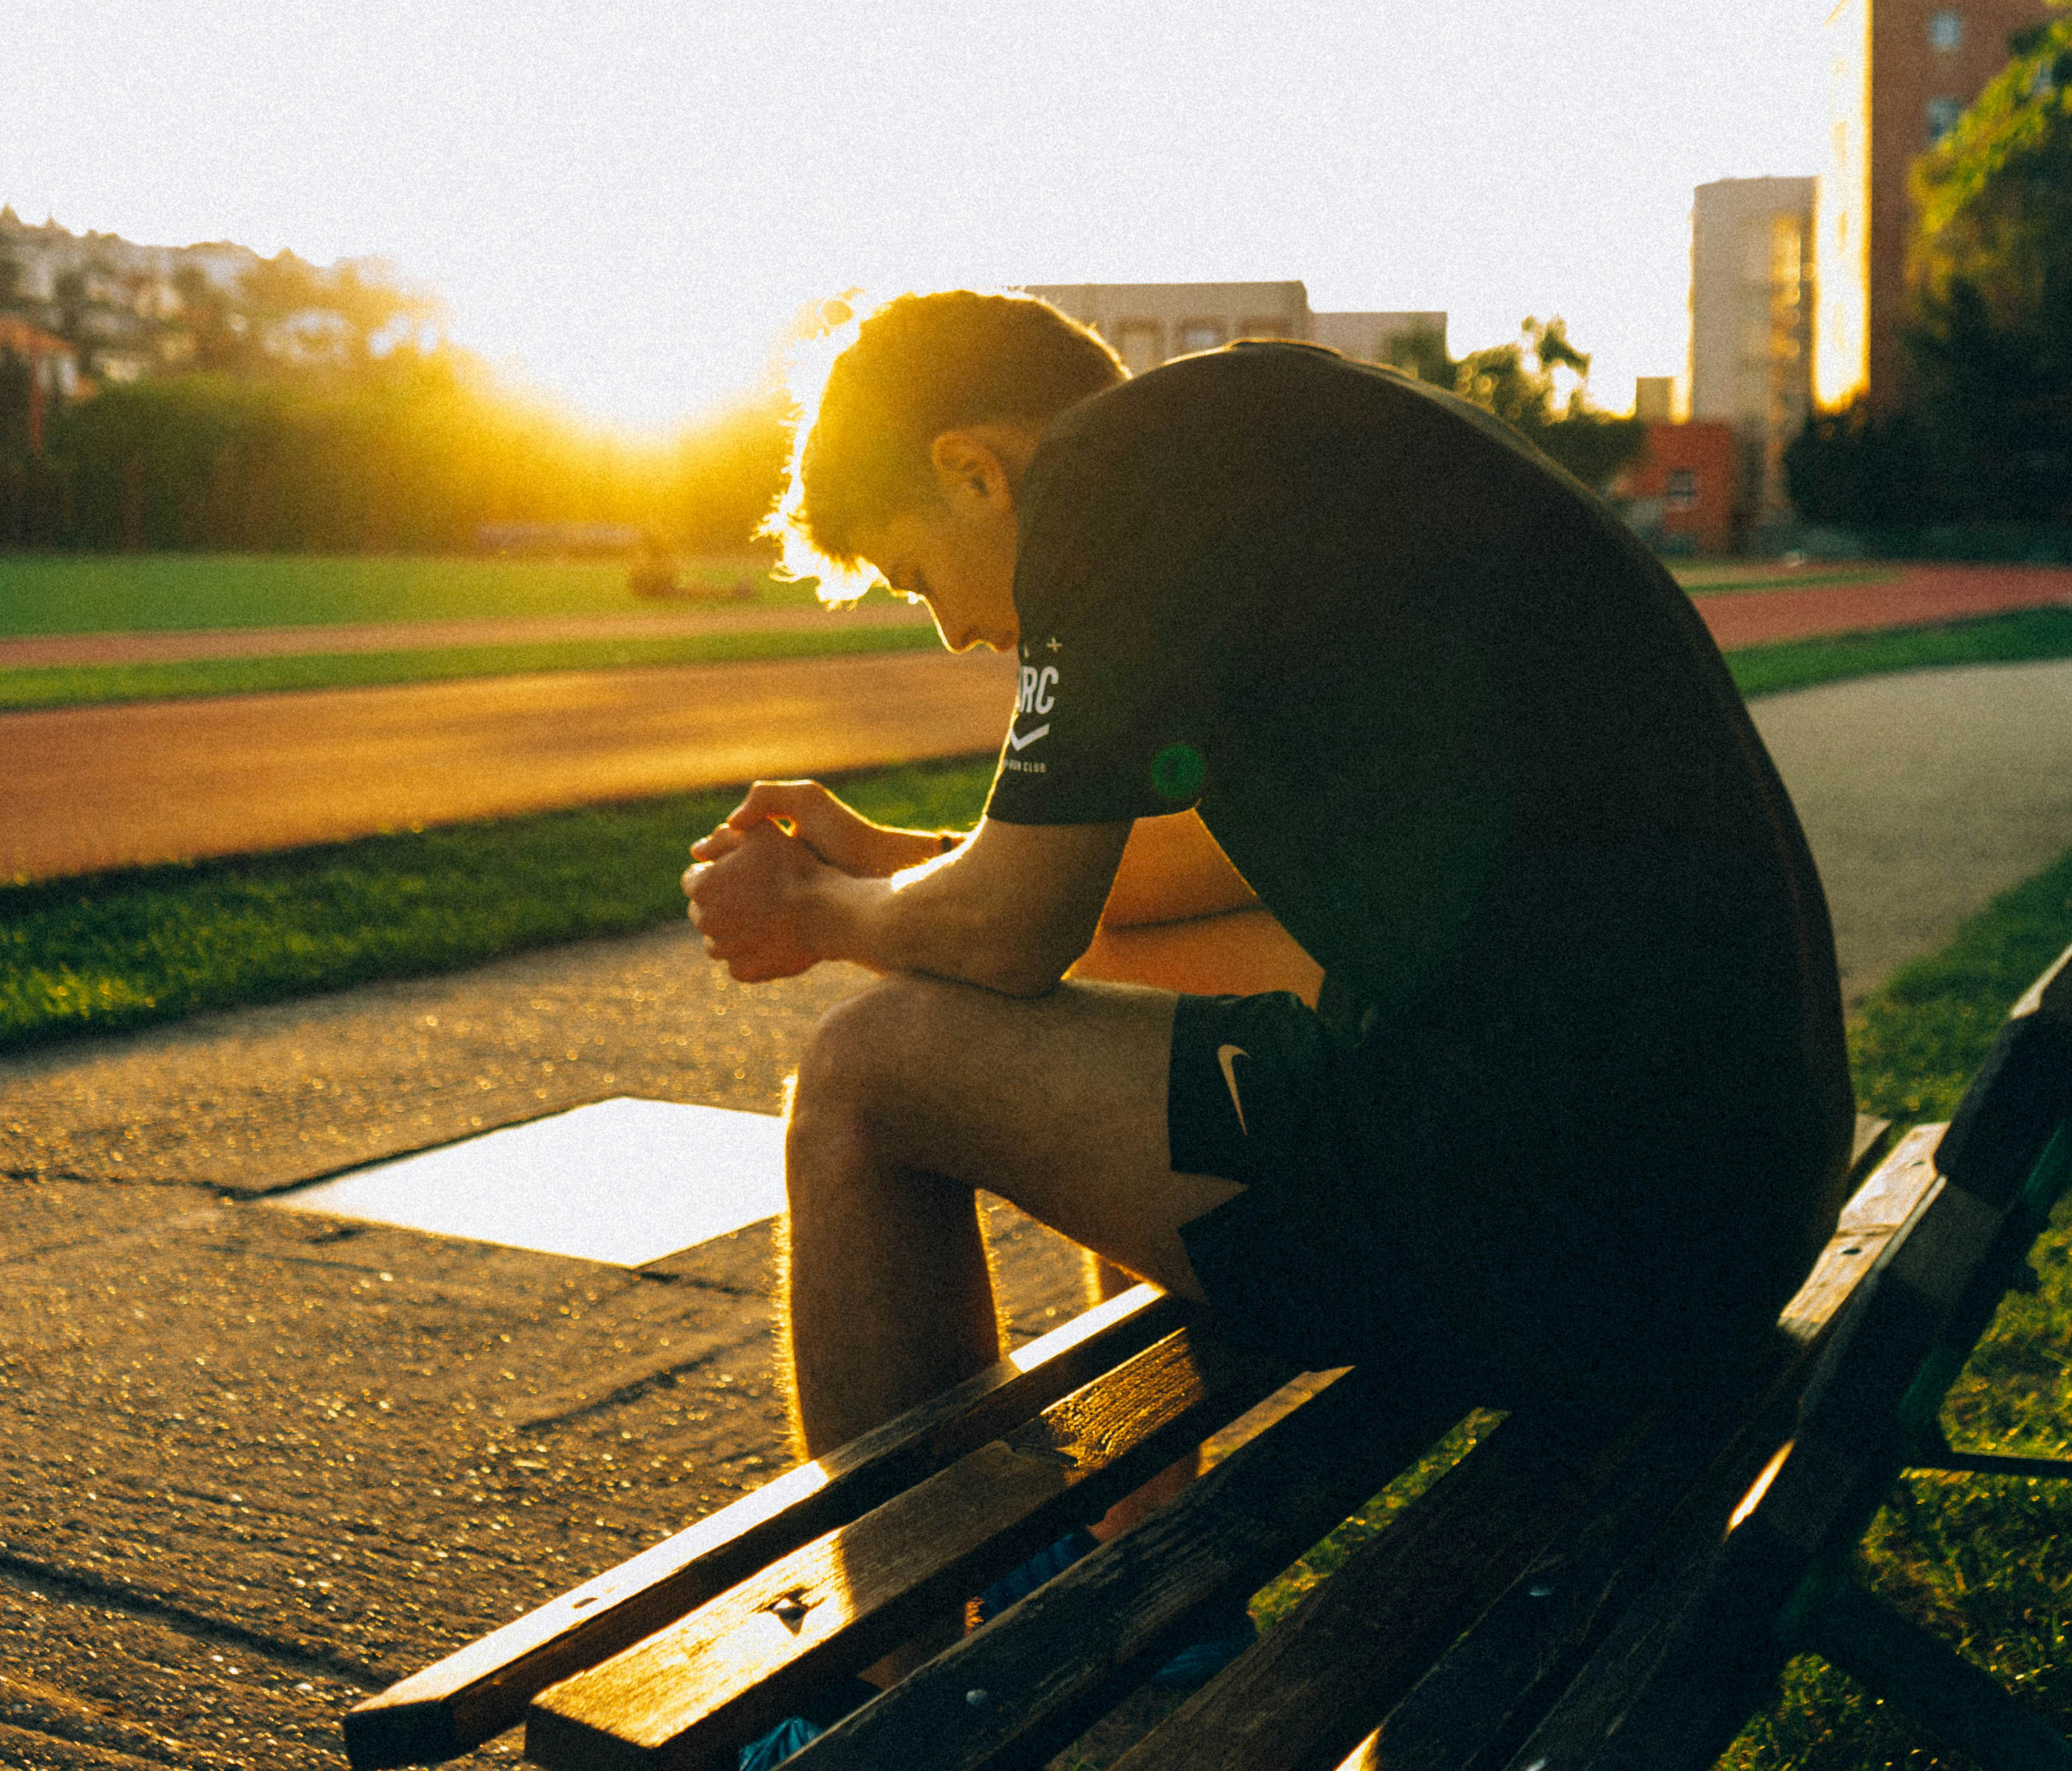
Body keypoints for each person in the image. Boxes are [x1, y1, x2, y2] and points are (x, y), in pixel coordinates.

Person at [680, 291, 1850, 1728]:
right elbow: (1135, 890)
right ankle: (1108, 1565)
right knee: (1154, 976)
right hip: (1728, 1183)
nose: (958, 631)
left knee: (869, 1072)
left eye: (922, 574)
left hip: (1583, 1226)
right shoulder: (1267, 448)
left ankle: (881, 1706)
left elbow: (1012, 930)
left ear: (978, 469)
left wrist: (816, 918)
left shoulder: (1101, 491)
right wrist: (894, 866)